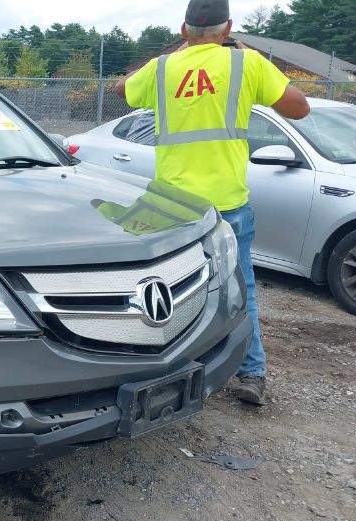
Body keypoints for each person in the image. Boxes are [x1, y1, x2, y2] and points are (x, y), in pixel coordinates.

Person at [114, 0, 310, 405]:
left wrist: (177, 54)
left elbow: (121, 90)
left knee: (169, 290)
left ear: (185, 30)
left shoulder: (165, 67)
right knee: (242, 289)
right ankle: (251, 375)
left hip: (173, 206)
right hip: (228, 204)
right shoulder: (247, 64)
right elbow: (300, 107)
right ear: (229, 28)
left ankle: (167, 367)